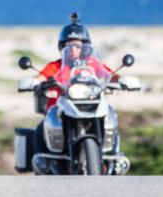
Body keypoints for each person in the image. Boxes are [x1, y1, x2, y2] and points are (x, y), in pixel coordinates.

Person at [33, 14, 118, 154]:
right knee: (40, 130)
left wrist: (121, 81)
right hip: (61, 110)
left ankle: (112, 158)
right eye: (68, 45)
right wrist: (35, 83)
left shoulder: (93, 63)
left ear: (85, 47)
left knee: (111, 119)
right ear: (62, 47)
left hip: (91, 106)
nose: (73, 49)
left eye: (78, 46)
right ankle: (40, 163)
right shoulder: (56, 66)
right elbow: (40, 77)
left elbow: (110, 75)